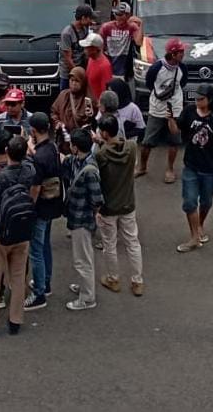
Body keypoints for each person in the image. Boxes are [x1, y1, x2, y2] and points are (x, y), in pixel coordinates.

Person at [0, 134, 37, 339]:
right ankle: (15, 320)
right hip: (23, 232)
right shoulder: (30, 171)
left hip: (0, 234)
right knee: (19, 277)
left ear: (6, 152)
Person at [94, 114, 144, 296]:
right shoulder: (131, 147)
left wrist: (100, 143)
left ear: (105, 133)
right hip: (128, 203)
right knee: (133, 243)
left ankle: (113, 278)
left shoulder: (101, 155)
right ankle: (137, 281)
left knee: (110, 244)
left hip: (109, 207)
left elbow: (101, 166)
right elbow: (120, 144)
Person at [178, 84, 213, 253]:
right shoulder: (188, 112)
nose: (197, 101)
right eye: (196, 98)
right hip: (191, 165)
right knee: (190, 202)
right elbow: (176, 130)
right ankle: (194, 237)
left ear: (210, 100)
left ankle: (200, 224)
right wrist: (170, 119)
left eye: (201, 99)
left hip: (210, 168)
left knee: (206, 201)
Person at [25, 112, 63, 311]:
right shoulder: (52, 148)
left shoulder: (38, 159)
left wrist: (29, 206)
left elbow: (36, 187)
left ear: (32, 130)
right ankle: (46, 283)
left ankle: (39, 293)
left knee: (36, 250)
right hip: (52, 205)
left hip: (39, 208)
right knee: (45, 245)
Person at [63, 128, 104, 310]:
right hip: (78, 216)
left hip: (82, 218)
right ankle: (85, 287)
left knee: (83, 259)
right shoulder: (79, 161)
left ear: (75, 147)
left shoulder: (89, 170)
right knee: (81, 257)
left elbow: (97, 200)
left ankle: (87, 298)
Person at [140, 38, 188, 183]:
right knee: (147, 141)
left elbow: (183, 82)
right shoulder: (156, 68)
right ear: (173, 54)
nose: (183, 55)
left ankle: (170, 169)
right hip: (157, 108)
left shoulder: (182, 68)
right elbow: (149, 83)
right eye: (180, 52)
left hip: (175, 109)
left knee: (174, 142)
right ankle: (142, 166)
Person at [50, 66, 95, 151]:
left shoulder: (88, 99)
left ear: (83, 82)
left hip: (82, 145)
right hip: (65, 142)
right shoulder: (63, 95)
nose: (74, 83)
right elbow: (54, 111)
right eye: (72, 80)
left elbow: (93, 122)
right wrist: (58, 123)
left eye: (77, 81)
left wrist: (91, 116)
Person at [99, 3, 143, 78]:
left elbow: (138, 42)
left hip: (122, 67)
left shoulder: (131, 27)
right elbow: (99, 47)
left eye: (120, 15)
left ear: (128, 15)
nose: (118, 17)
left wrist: (141, 24)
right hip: (108, 64)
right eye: (116, 14)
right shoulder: (106, 27)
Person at [59, 4, 96, 89]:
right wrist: (77, 74)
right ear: (83, 18)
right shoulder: (67, 33)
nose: (91, 20)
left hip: (81, 67)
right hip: (69, 72)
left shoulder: (85, 29)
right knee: (67, 96)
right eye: (89, 18)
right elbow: (68, 58)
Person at [80, 32, 113, 101]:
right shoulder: (90, 59)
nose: (84, 50)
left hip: (98, 105)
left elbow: (106, 92)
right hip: (89, 102)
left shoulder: (105, 66)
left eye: (87, 47)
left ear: (95, 49)